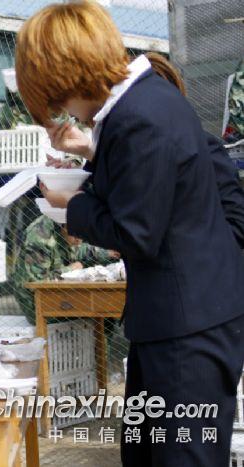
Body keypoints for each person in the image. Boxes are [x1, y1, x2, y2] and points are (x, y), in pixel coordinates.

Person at [15, 2, 244, 465]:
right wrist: (93, 158)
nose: (61, 110)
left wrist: (73, 206)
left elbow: (136, 231)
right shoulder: (148, 101)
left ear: (59, 77)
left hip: (185, 330)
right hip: (180, 319)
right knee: (146, 451)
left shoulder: (137, 117)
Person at [45, 52, 244, 247]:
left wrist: (74, 201)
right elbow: (128, 201)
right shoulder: (142, 144)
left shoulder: (204, 147)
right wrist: (84, 164)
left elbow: (237, 225)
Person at [13, 215, 118, 325]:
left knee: (106, 306)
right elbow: (36, 282)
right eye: (77, 235)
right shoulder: (39, 239)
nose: (79, 241)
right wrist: (70, 269)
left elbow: (77, 250)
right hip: (37, 303)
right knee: (102, 310)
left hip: (60, 293)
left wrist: (107, 253)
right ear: (63, 226)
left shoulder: (67, 228)